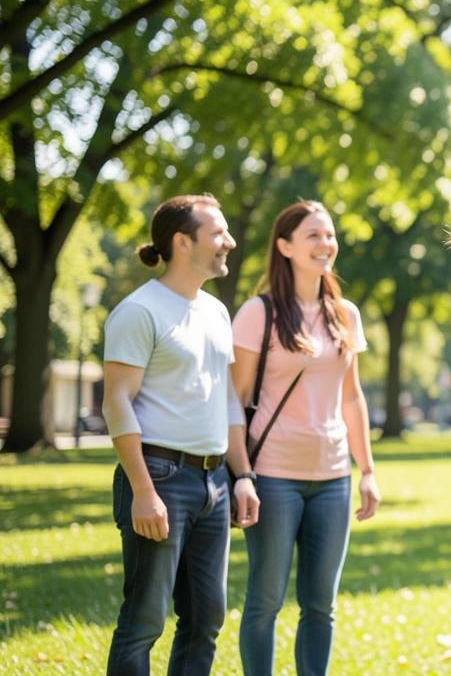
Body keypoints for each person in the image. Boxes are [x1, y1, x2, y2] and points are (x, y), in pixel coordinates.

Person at [102, 194, 258, 675]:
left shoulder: (214, 311)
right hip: (159, 478)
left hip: (213, 484)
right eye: (218, 233)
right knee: (144, 619)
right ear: (182, 242)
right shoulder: (139, 311)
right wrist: (144, 493)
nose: (229, 242)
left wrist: (243, 476)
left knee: (206, 618)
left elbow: (226, 401)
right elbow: (116, 401)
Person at [230, 200, 380, 676]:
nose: (325, 244)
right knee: (266, 600)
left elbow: (351, 397)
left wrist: (368, 471)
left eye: (329, 234)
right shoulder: (259, 313)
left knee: (321, 606)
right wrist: (243, 475)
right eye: (313, 235)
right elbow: (234, 400)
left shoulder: (345, 314)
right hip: (273, 476)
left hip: (333, 477)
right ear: (285, 246)